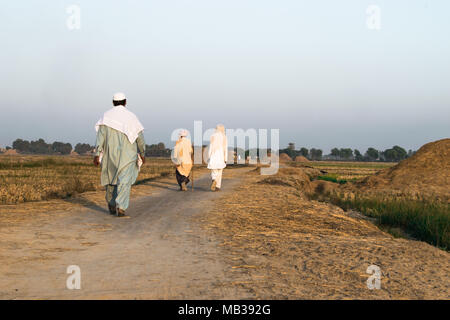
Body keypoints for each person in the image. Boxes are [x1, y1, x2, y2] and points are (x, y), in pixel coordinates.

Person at [93, 92, 146, 217]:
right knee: (124, 182)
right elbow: (140, 138)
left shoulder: (106, 117)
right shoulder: (131, 117)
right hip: (128, 156)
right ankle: (121, 207)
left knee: (111, 180)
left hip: (110, 155)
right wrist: (142, 153)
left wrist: (96, 154)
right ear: (125, 102)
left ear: (113, 102)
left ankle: (111, 202)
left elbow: (100, 138)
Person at [207, 124, 228, 191]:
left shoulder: (213, 136)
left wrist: (209, 156)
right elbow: (225, 149)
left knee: (214, 170)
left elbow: (211, 147)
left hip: (213, 155)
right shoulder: (224, 136)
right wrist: (226, 158)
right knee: (220, 171)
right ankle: (217, 186)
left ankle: (214, 180)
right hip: (221, 156)